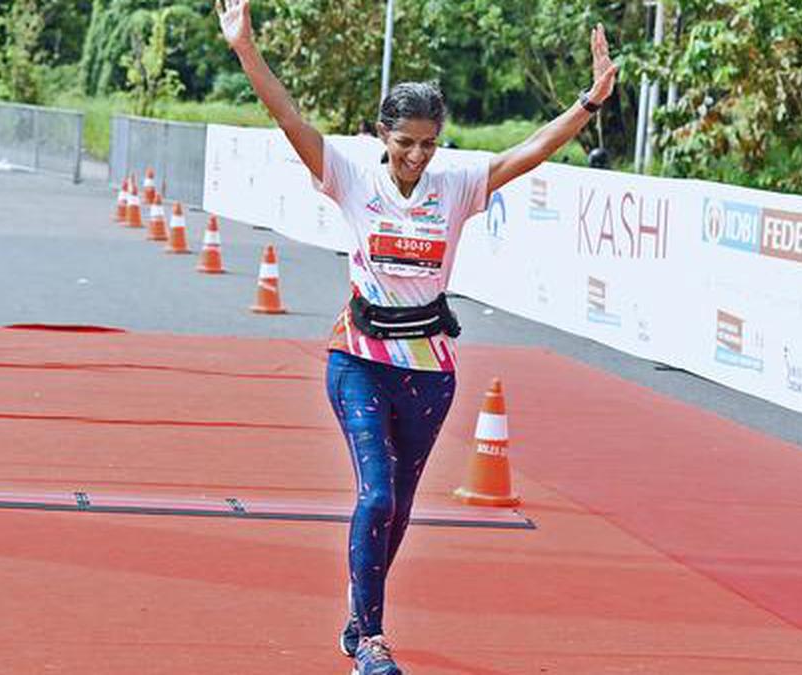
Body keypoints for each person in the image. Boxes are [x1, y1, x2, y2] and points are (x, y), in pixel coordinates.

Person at [217, 2, 618, 673]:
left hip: (430, 369)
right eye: (405, 141)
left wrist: (590, 101)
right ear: (383, 133)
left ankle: (359, 607)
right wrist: (245, 50)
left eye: (428, 143)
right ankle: (370, 640)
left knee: (398, 509)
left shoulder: (456, 181)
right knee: (375, 494)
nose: (415, 155)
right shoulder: (352, 174)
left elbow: (531, 151)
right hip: (360, 359)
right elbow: (291, 118)